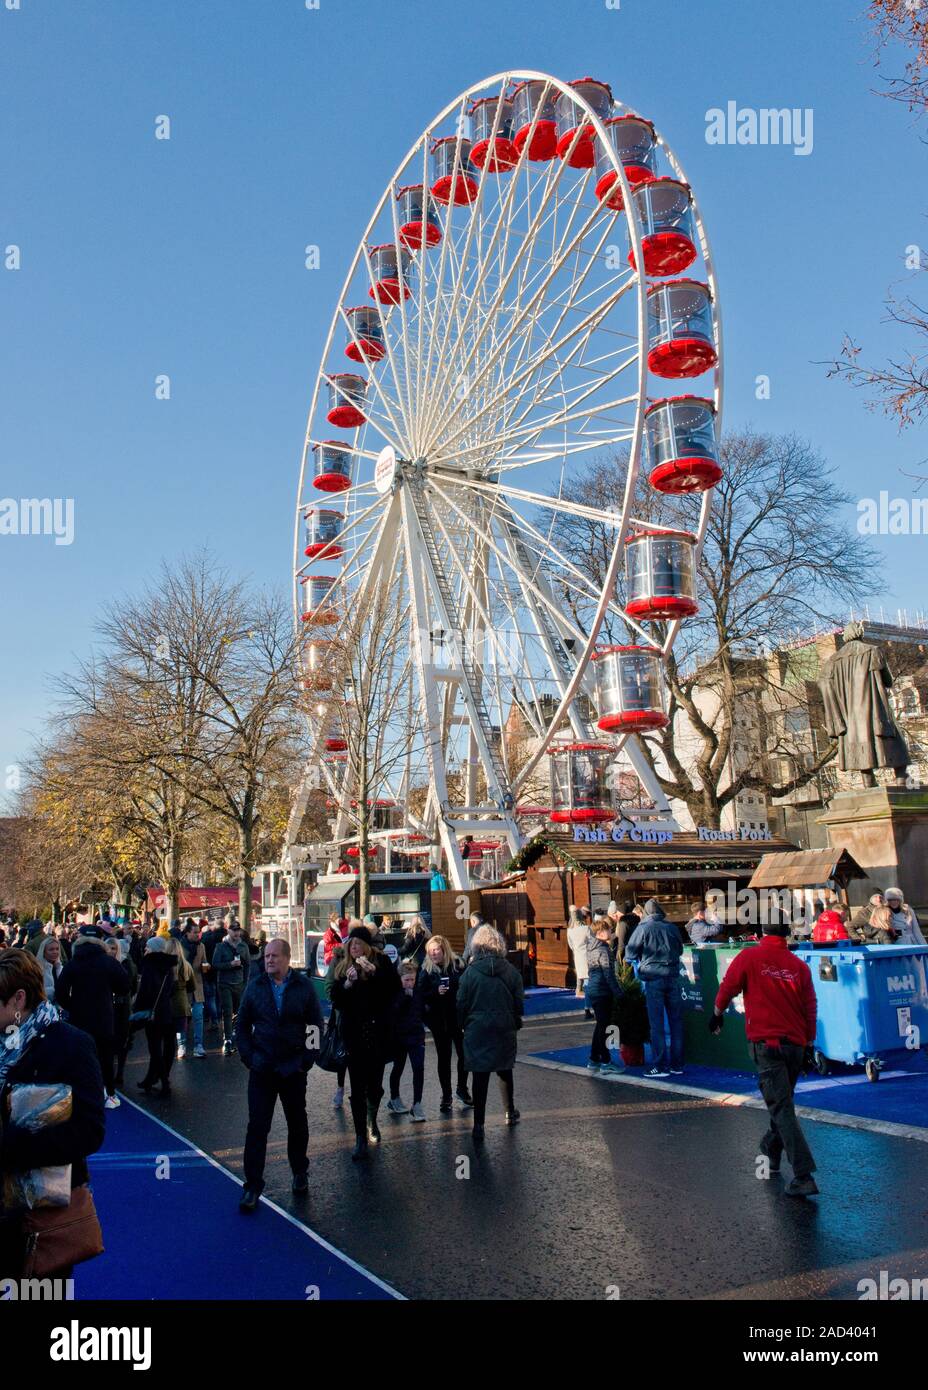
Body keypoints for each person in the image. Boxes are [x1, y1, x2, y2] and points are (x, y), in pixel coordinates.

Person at [0, 950, 106, 1280]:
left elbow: (90, 1130)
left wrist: (13, 1145)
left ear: (18, 999)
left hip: (43, 1215)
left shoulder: (71, 1045)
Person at [708, 921, 819, 1198]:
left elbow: (728, 987)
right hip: (794, 1045)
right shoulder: (799, 966)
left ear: (762, 934)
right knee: (782, 1102)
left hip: (766, 1044)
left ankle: (803, 1174)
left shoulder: (750, 957)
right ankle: (770, 1148)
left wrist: (717, 1013)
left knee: (781, 1107)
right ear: (786, 935)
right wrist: (809, 1043)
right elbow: (810, 1007)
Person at [235, 937, 323, 1211]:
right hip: (262, 1069)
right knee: (257, 1127)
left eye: (274, 955)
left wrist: (306, 1061)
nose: (269, 960)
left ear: (286, 958)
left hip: (292, 1069)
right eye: (266, 956)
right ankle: (252, 1185)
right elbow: (242, 1026)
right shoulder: (255, 987)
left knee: (297, 1122)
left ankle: (299, 1172)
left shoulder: (303, 986)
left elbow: (315, 1026)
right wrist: (249, 1058)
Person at [329, 926, 401, 1160]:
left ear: (367, 947)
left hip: (378, 1034)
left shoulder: (381, 964)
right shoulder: (343, 966)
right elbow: (336, 1000)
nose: (355, 947)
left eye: (359, 944)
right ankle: (361, 1136)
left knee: (376, 1086)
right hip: (353, 1035)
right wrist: (348, 985)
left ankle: (372, 1119)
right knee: (357, 1087)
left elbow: (394, 993)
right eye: (352, 944)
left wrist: (375, 976)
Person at [456, 925, 524, 1143]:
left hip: (477, 1029)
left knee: (480, 1074)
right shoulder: (511, 971)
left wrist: (462, 1025)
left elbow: (461, 1004)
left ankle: (479, 1124)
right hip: (504, 1027)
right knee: (505, 1069)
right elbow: (519, 1003)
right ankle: (509, 1111)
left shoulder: (470, 973)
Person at [55, 924, 131, 1110]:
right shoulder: (107, 961)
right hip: (104, 1016)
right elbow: (125, 985)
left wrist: (72, 1006)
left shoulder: (74, 962)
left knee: (80, 1056)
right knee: (105, 1057)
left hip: (79, 1018)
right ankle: (109, 1093)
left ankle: (79, 1092)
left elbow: (61, 991)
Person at [624, 898, 684, 1079]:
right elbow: (680, 950)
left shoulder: (643, 928)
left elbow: (630, 953)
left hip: (653, 977)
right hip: (672, 976)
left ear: (647, 912)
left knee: (656, 1024)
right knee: (676, 1023)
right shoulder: (671, 927)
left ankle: (659, 1065)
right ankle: (677, 1064)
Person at [419, 934, 471, 1111]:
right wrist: (435, 991)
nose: (433, 954)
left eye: (436, 950)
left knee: (464, 1055)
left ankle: (462, 1089)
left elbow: (466, 987)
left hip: (457, 1018)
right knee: (444, 1058)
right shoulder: (426, 969)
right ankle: (446, 1095)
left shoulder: (457, 965)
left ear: (444, 950)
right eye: (430, 951)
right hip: (438, 1021)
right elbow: (420, 994)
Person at [134, 937, 178, 1097]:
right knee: (166, 1047)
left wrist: (137, 1010)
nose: (145, 949)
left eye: (147, 947)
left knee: (154, 1049)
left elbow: (145, 991)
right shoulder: (169, 965)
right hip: (166, 1010)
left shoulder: (149, 965)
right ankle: (153, 1079)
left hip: (152, 1012)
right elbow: (171, 989)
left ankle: (163, 1082)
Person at [386, 961, 427, 1121]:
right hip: (399, 1037)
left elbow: (422, 1010)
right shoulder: (396, 992)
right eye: (406, 980)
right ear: (400, 979)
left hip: (416, 1036)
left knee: (419, 1069)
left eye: (412, 980)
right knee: (398, 1067)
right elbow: (392, 1011)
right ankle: (394, 1098)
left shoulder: (418, 991)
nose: (410, 983)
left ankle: (417, 1104)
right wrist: (404, 997)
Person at [585, 917, 623, 1074]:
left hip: (593, 990)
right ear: (600, 933)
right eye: (608, 929)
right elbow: (609, 975)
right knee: (604, 1027)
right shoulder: (603, 950)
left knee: (600, 1025)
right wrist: (619, 993)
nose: (611, 931)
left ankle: (594, 1059)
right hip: (602, 991)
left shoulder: (591, 948)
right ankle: (606, 1061)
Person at [213, 919, 251, 1054]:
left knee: (239, 1011)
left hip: (239, 983)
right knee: (227, 1011)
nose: (236, 933)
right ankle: (227, 1039)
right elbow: (215, 964)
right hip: (225, 984)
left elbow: (247, 965)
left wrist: (245, 982)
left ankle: (237, 1034)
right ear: (228, 930)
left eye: (238, 930)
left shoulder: (243, 946)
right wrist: (230, 964)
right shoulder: (221, 946)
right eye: (233, 930)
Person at [104, 937, 137, 1089]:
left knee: (123, 1039)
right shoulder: (102, 964)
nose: (111, 951)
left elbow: (131, 984)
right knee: (108, 1039)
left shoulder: (125, 963)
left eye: (114, 948)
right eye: (108, 948)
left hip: (122, 1006)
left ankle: (120, 1072)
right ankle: (108, 1071)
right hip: (106, 1005)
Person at [178, 920, 207, 1058]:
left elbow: (205, 961)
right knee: (182, 1018)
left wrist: (206, 966)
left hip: (197, 986)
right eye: (195, 932)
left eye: (198, 932)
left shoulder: (201, 946)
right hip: (182, 986)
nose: (197, 934)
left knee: (198, 1017)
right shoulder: (179, 946)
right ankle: (181, 1045)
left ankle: (198, 1045)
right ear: (187, 933)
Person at [164, 937, 196, 1058]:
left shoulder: (163, 966)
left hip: (166, 1003)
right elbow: (192, 986)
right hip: (181, 1002)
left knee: (167, 1032)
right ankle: (181, 1048)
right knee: (181, 1029)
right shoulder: (186, 965)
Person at [566, 907, 591, 1017]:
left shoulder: (570, 931)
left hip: (578, 957)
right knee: (589, 982)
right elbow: (592, 942)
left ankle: (587, 1006)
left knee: (584, 980)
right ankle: (588, 1007)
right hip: (588, 956)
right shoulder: (586, 928)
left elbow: (570, 945)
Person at [35, 933, 64, 1003]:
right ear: (44, 952)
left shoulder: (60, 968)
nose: (55, 952)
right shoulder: (38, 969)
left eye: (57, 949)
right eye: (51, 949)